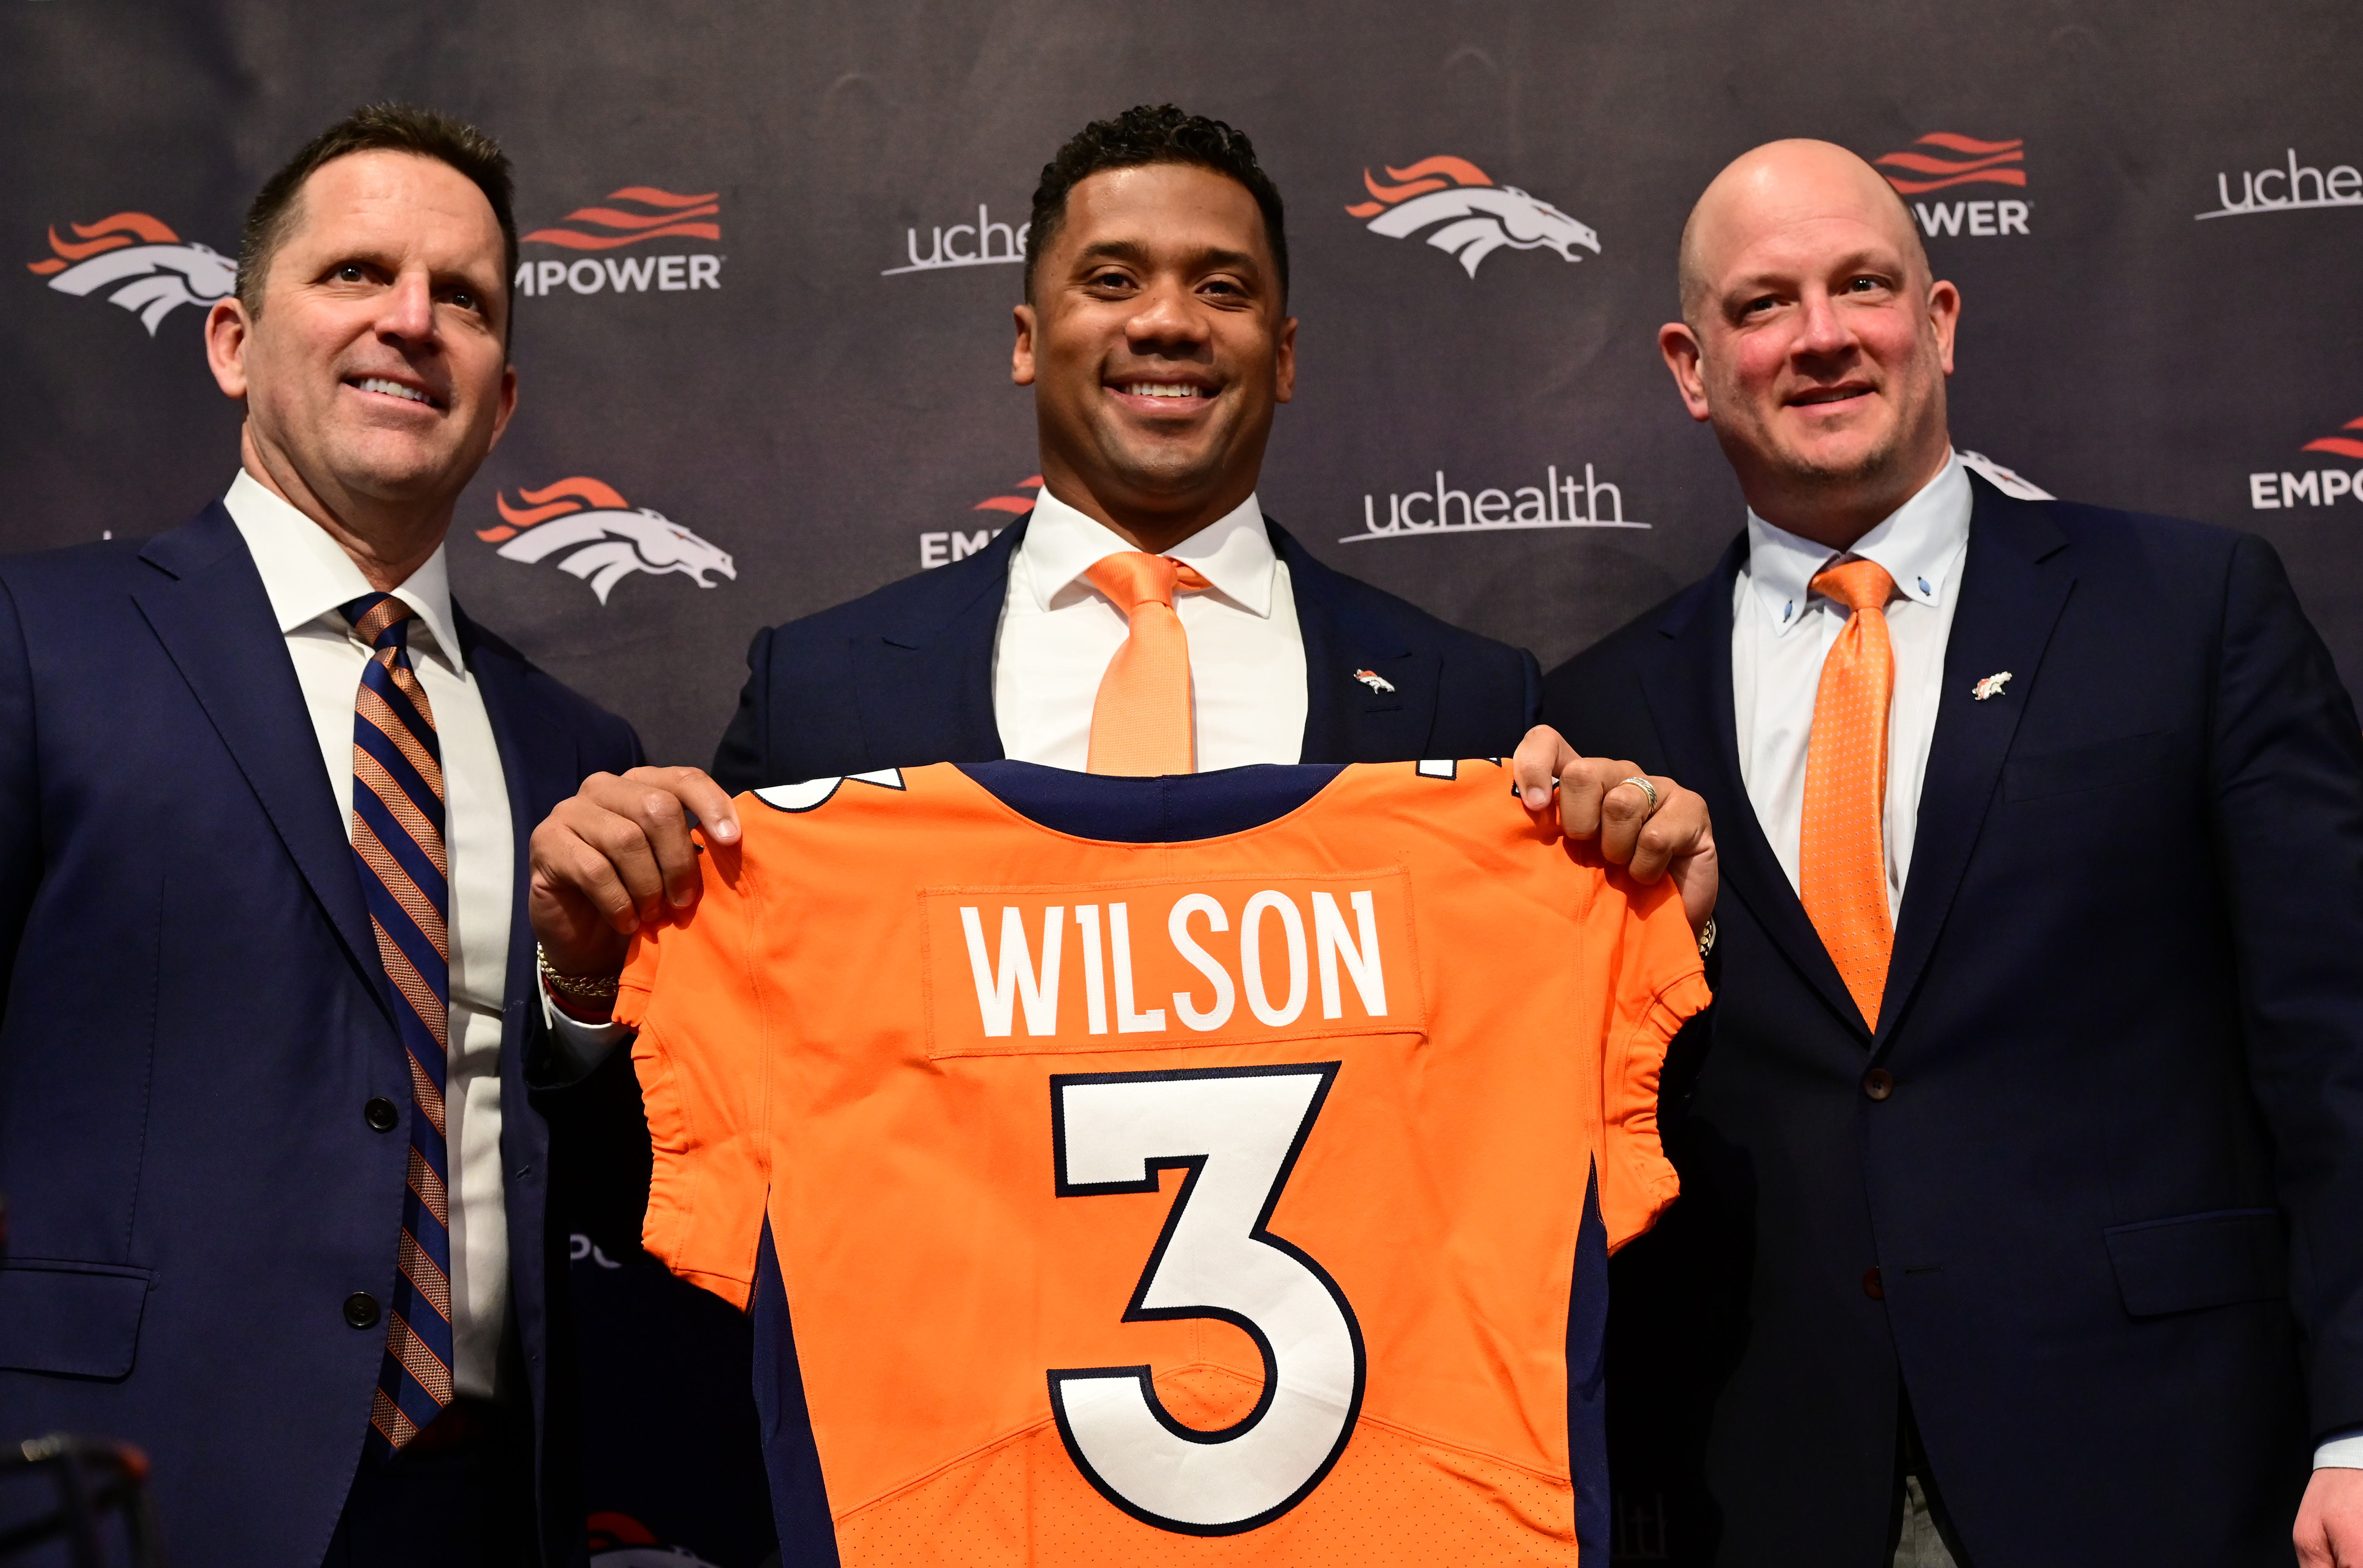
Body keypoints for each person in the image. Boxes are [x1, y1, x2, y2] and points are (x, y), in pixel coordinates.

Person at [521, 105, 1718, 1542]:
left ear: (1283, 356)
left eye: (1223, 287)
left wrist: (1652, 923)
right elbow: (680, 1165)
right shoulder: (826, 691)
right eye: (1113, 280)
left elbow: (1565, 1187)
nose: (1169, 322)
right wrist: (592, 983)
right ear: (1028, 335)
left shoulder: (1469, 705)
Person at [1536, 138, 2363, 1566]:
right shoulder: (1602, 711)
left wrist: (2359, 1422)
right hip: (1766, 1483)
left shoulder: (2189, 607)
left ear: (1940, 321)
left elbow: (2339, 1042)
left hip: (2169, 1465)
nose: (1823, 338)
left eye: (1865, 286)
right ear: (1689, 363)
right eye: (1763, 305)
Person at [0, 104, 641, 1566]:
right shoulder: (37, 646)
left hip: (486, 1507)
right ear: (233, 341)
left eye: (463, 299)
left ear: (503, 393)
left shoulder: (578, 752)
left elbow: (612, 1185)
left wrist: (588, 1004)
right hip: (120, 1498)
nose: (411, 322)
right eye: (356, 274)